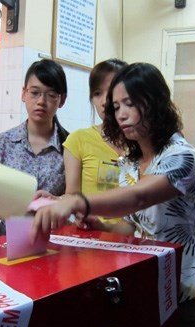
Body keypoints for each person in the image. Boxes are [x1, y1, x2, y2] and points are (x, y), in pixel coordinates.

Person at [31, 62, 195, 327]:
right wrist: (95, 222)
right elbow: (130, 228)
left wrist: (78, 200)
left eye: (130, 103)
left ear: (155, 101)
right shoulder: (129, 164)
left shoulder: (183, 156)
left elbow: (138, 198)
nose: (121, 114)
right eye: (116, 106)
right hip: (148, 288)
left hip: (187, 296)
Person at [0, 58, 69, 236]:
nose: (41, 101)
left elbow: (76, 197)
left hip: (56, 239)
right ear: (23, 94)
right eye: (35, 93)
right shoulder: (3, 143)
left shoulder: (70, 146)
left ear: (62, 99)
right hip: (9, 238)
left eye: (51, 95)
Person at [63, 59, 127, 227]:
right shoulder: (78, 140)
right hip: (94, 238)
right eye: (97, 93)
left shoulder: (143, 143)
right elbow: (72, 195)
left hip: (137, 240)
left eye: (112, 91)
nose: (104, 101)